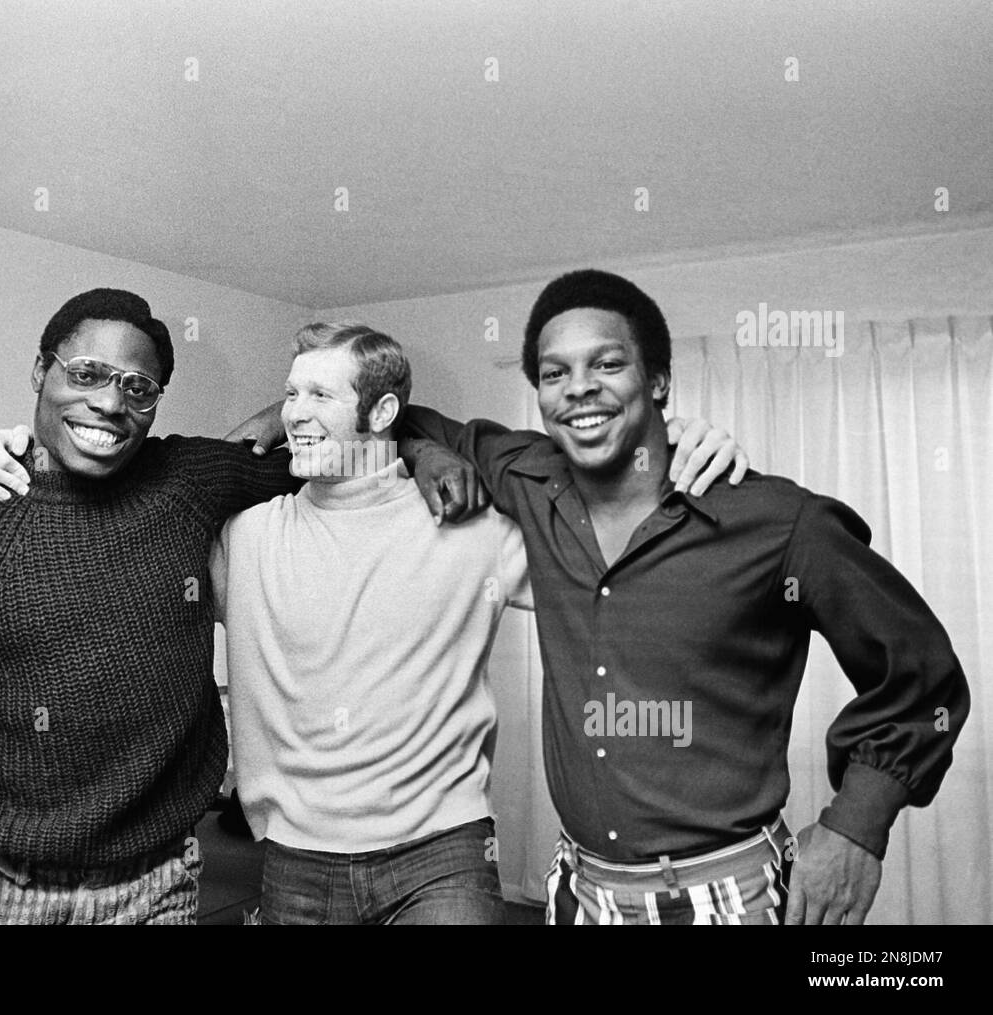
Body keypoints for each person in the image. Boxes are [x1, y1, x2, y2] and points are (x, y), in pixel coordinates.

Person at [0, 319, 746, 924]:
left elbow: (625, 567)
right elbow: (121, 499)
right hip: (293, 860)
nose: (291, 415)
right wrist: (14, 456)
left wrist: (682, 463)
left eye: (317, 397)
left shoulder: (469, 521)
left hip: (443, 855)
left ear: (384, 412)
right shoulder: (243, 533)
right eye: (288, 394)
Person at [396, 269, 970, 925]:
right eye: (554, 374)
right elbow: (408, 418)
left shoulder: (778, 520)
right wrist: (422, 453)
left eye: (606, 363)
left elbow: (923, 671)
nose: (577, 385)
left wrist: (857, 827)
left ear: (660, 381)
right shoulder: (528, 477)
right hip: (577, 891)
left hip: (726, 898)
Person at [0, 288, 377, 925]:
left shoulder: (184, 481)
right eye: (86, 374)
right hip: (2, 892)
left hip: (159, 886)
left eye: (138, 387)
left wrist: (426, 444)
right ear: (41, 371)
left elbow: (332, 428)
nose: (109, 402)